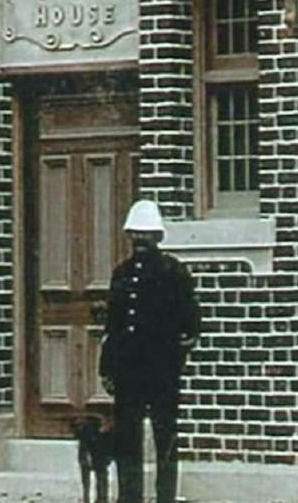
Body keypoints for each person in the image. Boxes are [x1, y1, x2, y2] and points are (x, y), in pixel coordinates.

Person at [99, 199, 200, 503]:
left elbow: (191, 325)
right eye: (135, 234)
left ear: (158, 237)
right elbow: (114, 327)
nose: (141, 241)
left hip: (161, 370)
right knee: (126, 437)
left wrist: (174, 359)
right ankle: (130, 497)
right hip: (128, 370)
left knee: (165, 436)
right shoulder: (122, 274)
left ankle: (165, 497)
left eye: (147, 234)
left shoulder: (173, 273)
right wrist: (107, 367)